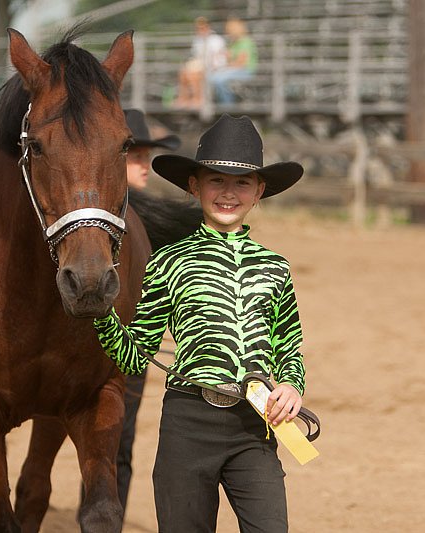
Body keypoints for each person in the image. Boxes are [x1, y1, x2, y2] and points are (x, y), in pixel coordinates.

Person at [94, 114, 306, 532]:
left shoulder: (275, 267)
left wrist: (292, 386)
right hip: (188, 425)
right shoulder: (167, 263)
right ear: (194, 186)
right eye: (216, 180)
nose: (229, 193)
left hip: (255, 425)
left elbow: (289, 348)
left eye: (242, 183)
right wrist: (103, 315)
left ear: (259, 190)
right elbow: (135, 358)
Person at [115, 108, 180, 511]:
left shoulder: (149, 217)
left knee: (120, 446)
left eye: (146, 154)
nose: (144, 164)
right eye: (134, 154)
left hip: (132, 353)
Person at [174, 17, 227, 109]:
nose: (200, 30)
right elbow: (196, 57)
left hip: (214, 67)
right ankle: (183, 98)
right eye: (198, 28)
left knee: (193, 74)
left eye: (202, 27)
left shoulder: (217, 40)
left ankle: (198, 99)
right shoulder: (197, 41)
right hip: (200, 66)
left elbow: (220, 58)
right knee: (183, 73)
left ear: (208, 27)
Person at [209, 18, 259, 105]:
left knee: (218, 79)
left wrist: (224, 67)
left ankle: (227, 105)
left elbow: (241, 63)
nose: (227, 34)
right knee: (210, 77)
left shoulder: (245, 42)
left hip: (245, 71)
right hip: (235, 70)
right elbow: (229, 58)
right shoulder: (234, 43)